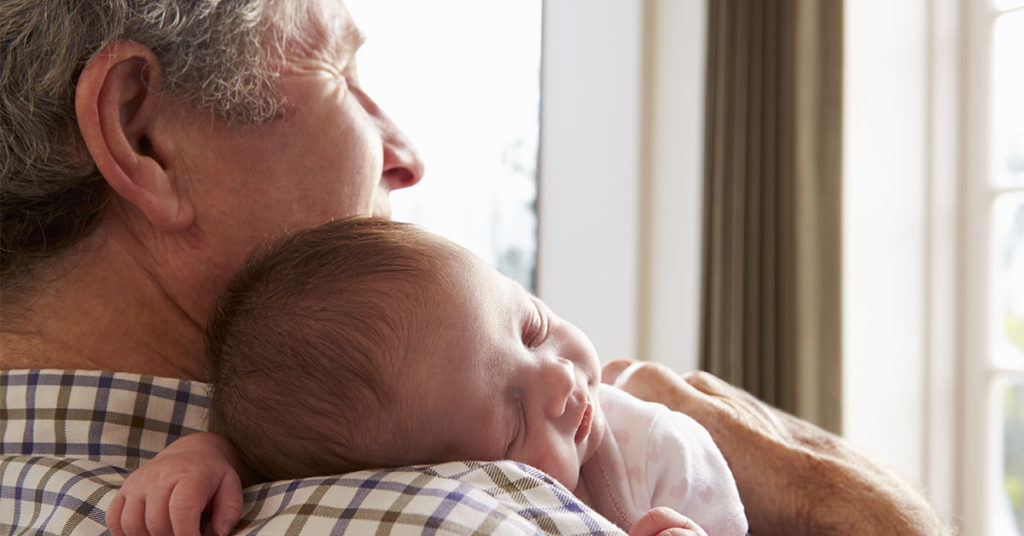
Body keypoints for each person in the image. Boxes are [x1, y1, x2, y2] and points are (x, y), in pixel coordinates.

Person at [0, 0, 952, 535]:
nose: (405, 152)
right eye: (339, 75)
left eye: (528, 322)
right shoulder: (457, 518)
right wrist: (850, 503)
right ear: (142, 134)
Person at [108, 218, 748, 536]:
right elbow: (296, 469)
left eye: (531, 325)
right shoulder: (399, 495)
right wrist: (210, 452)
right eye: (513, 422)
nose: (560, 381)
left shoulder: (658, 450)